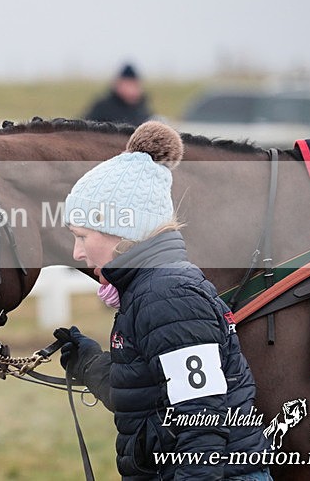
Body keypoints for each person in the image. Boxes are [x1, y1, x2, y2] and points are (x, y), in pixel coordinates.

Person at [58, 121, 271, 480]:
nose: (77, 252)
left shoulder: (166, 294)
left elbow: (201, 419)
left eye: (82, 236)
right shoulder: (147, 290)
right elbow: (154, 400)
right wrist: (91, 363)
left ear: (119, 230)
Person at [84, 63, 153, 126]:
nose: (131, 90)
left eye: (134, 85)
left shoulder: (143, 109)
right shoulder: (103, 107)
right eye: (128, 85)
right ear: (118, 84)